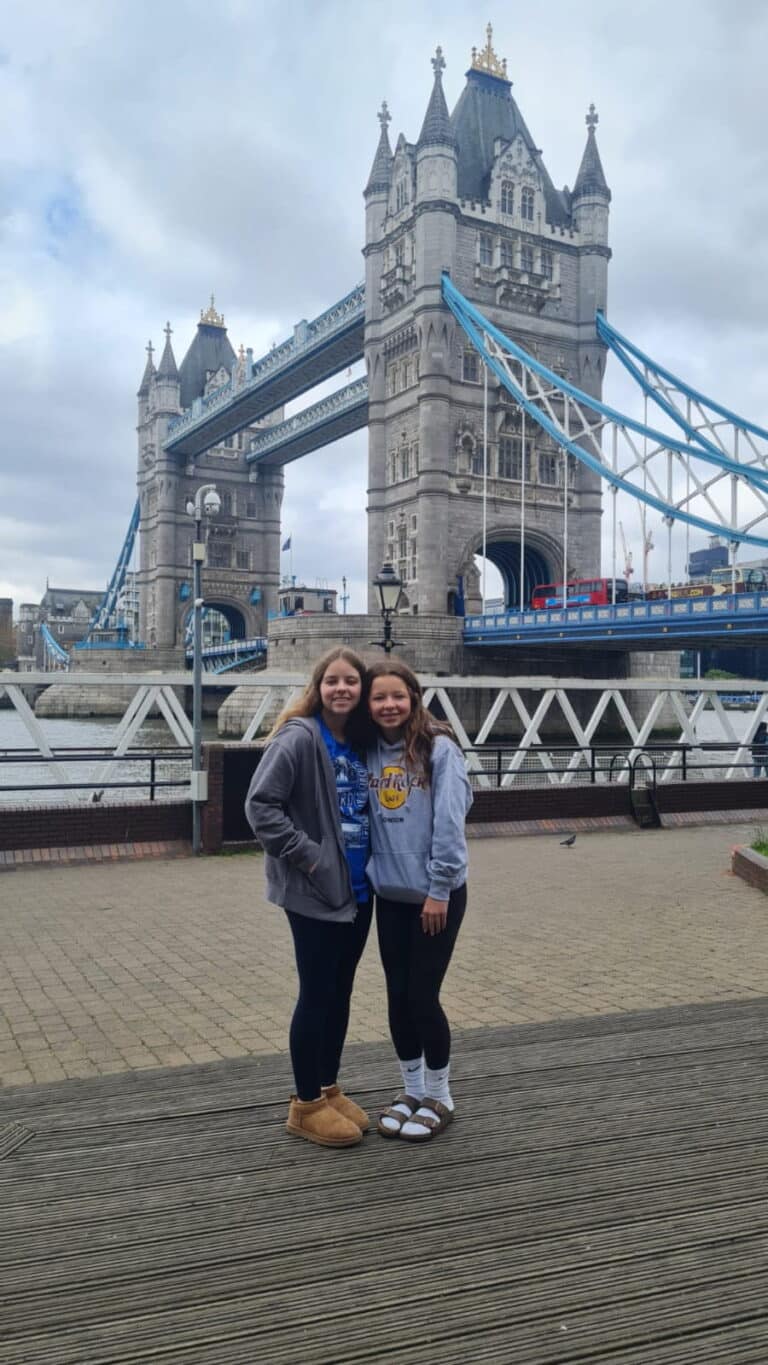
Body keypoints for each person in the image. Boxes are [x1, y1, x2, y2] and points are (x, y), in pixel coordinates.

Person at [244, 647, 372, 1148]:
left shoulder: (361, 742)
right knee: (316, 994)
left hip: (360, 891)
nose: (342, 689)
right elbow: (260, 806)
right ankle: (304, 1105)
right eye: (332, 681)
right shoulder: (298, 739)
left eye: (351, 682)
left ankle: (327, 1087)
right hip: (315, 889)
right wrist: (310, 856)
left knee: (340, 995)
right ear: (318, 688)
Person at [365, 658, 473, 1142]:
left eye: (397, 695)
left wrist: (439, 889)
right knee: (396, 995)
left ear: (414, 697)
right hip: (389, 894)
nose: (389, 705)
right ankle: (410, 1089)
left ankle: (440, 1095)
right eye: (379, 697)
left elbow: (450, 824)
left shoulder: (440, 750)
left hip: (435, 895)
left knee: (422, 996)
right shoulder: (365, 750)